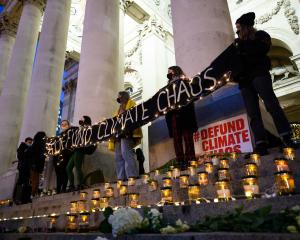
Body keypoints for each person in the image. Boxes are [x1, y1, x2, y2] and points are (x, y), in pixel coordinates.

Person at [235, 12, 293, 155]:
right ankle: (261, 143)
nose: (237, 32)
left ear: (246, 27)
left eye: (239, 28)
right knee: (253, 113)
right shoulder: (238, 44)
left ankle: (286, 136)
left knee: (271, 105)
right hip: (245, 81)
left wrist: (243, 45)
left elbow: (261, 50)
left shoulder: (261, 36)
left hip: (259, 74)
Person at [165, 66, 198, 170]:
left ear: (176, 71)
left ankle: (190, 159)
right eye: (168, 72)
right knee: (177, 139)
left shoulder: (185, 82)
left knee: (187, 137)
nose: (169, 73)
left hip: (185, 113)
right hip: (173, 115)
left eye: (170, 72)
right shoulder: (167, 88)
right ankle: (180, 161)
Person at [108, 91, 142, 180]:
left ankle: (132, 175)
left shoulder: (132, 104)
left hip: (127, 133)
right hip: (118, 135)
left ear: (125, 97)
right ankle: (121, 177)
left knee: (126, 153)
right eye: (118, 97)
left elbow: (133, 116)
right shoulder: (118, 109)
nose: (119, 99)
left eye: (120, 97)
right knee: (118, 156)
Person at [67, 116, 96, 191]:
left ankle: (80, 184)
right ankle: (71, 185)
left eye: (82, 121)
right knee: (68, 168)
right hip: (76, 150)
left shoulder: (88, 129)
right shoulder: (80, 129)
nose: (80, 123)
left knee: (77, 168)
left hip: (80, 150)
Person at [53, 120, 73, 193]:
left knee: (64, 172)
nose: (63, 125)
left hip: (65, 156)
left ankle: (63, 188)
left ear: (68, 125)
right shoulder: (58, 136)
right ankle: (58, 189)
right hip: (57, 158)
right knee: (58, 174)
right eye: (62, 124)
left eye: (65, 124)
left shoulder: (70, 134)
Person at [27, 131, 46, 197]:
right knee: (37, 179)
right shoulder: (43, 144)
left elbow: (31, 154)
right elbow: (42, 155)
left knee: (33, 179)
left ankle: (32, 194)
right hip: (40, 164)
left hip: (34, 164)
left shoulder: (35, 144)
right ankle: (35, 193)